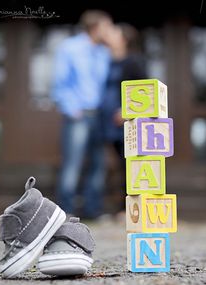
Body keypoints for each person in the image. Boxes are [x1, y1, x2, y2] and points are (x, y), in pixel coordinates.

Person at [51, 10, 113, 219]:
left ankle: (92, 211)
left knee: (98, 165)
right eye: (107, 26)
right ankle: (65, 212)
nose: (110, 30)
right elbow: (60, 81)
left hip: (99, 116)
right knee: (72, 165)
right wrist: (71, 109)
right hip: (78, 114)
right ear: (96, 27)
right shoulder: (70, 48)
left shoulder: (104, 52)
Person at [100, 23, 148, 212]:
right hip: (108, 123)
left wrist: (127, 110)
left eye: (114, 32)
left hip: (127, 123)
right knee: (117, 165)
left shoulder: (133, 61)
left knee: (131, 166)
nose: (109, 34)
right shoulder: (107, 61)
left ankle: (132, 209)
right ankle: (123, 207)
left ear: (123, 39)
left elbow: (145, 91)